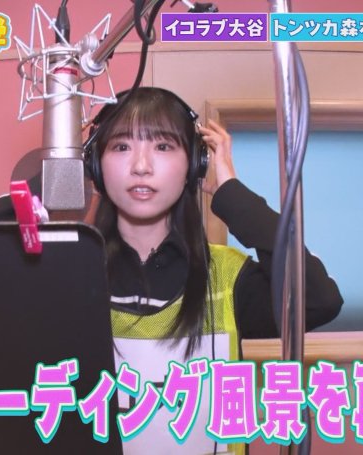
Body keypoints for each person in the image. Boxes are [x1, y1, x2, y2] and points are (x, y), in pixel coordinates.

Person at [83, 87, 343, 454]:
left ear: (195, 164)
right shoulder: (72, 274)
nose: (141, 166)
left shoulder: (226, 277)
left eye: (163, 146)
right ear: (95, 165)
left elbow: (319, 299)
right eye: (121, 146)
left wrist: (230, 193)